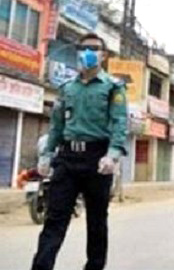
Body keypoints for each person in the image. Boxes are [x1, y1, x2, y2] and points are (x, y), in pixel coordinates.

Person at [31, 33, 127, 270]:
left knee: (96, 220)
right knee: (55, 218)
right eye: (83, 48)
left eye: (94, 48)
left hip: (97, 160)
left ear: (103, 55)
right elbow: (57, 125)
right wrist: (47, 154)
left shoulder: (113, 87)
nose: (88, 53)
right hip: (67, 159)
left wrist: (112, 154)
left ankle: (94, 266)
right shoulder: (67, 88)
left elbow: (119, 123)